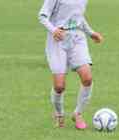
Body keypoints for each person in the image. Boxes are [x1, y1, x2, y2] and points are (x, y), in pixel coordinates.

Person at [38, 0, 103, 129]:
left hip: (77, 38)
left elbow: (78, 17)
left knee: (87, 78)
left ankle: (78, 113)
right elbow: (42, 16)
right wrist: (54, 30)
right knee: (59, 86)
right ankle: (59, 113)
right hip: (58, 39)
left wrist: (91, 33)